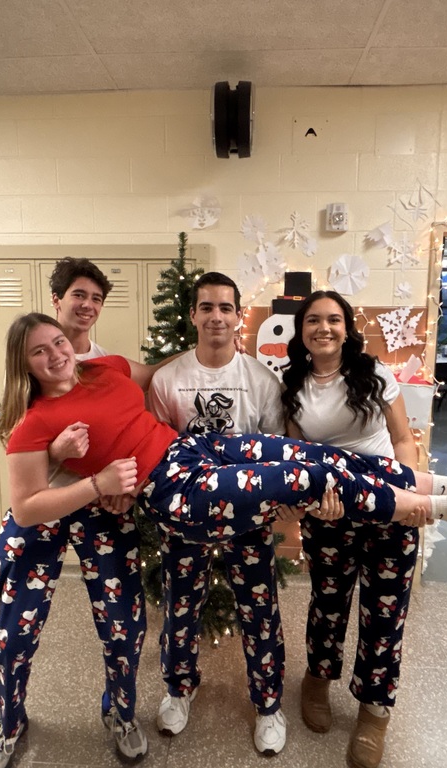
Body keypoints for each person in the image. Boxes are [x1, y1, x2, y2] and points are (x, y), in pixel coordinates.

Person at [0, 313, 447, 764]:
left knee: (318, 457)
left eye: (58, 342)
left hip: (192, 451)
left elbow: (156, 367)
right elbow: (27, 504)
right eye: (41, 351)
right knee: (300, 478)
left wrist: (203, 335)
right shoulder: (33, 423)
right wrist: (95, 481)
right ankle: (441, 509)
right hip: (175, 490)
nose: (57, 354)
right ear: (26, 364)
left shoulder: (103, 368)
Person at [280, 290, 447, 768]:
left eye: (333, 319)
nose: (323, 328)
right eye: (313, 320)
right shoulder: (292, 384)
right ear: (302, 330)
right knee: (328, 604)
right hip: (332, 512)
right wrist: (314, 506)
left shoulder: (373, 373)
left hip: (391, 507)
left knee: (385, 614)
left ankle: (375, 711)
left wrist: (408, 494)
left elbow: (401, 440)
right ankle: (317, 680)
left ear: (348, 328)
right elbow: (299, 458)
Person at [0, 258, 156, 768]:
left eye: (96, 298)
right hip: (44, 507)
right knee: (13, 633)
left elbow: (150, 401)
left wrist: (214, 342)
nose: (87, 306)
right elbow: (24, 486)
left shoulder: (105, 364)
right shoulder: (27, 387)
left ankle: (121, 713)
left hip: (103, 510)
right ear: (58, 301)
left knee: (123, 622)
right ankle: (10, 722)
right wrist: (56, 454)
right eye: (79, 295)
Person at [147, 272, 298, 755]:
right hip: (186, 521)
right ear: (193, 315)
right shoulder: (167, 380)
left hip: (247, 522)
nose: (216, 316)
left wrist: (276, 510)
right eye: (206, 307)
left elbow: (277, 456)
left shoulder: (260, 380)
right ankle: (179, 689)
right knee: (180, 607)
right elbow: (157, 454)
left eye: (225, 308)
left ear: (238, 316)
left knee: (260, 611)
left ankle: (269, 703)